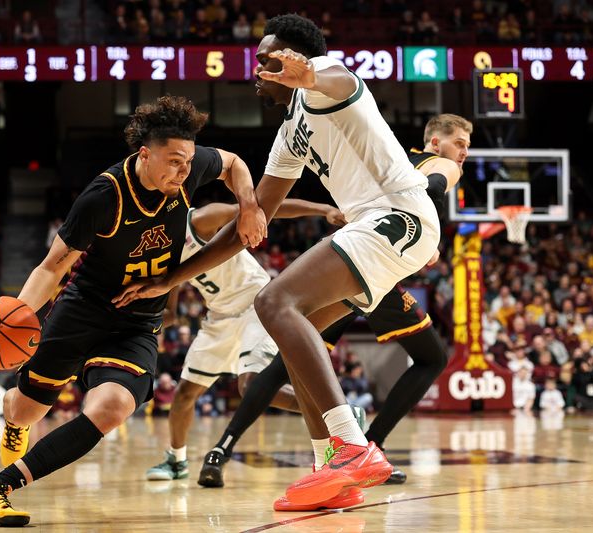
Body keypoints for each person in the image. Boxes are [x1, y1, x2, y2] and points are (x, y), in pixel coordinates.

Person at [114, 15, 455, 509]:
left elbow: (336, 78)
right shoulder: (290, 131)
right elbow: (248, 225)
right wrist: (169, 279)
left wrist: (309, 73)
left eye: (269, 60)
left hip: (396, 216)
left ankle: (351, 446)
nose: (259, 69)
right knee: (297, 338)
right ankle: (329, 469)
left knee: (273, 300)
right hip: (385, 229)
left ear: (298, 59)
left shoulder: (327, 83)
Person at [0, 96, 266, 527]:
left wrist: (249, 204)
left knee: (113, 407)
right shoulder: (103, 197)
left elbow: (233, 164)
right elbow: (52, 267)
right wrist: (17, 315)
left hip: (137, 321)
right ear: (144, 153)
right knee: (25, 410)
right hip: (83, 310)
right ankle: (16, 411)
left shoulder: (189, 167)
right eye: (174, 162)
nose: (184, 171)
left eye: (189, 162)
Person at [196, 113, 469, 497]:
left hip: (362, 251)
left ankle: (263, 453)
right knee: (431, 358)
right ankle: (362, 447)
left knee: (289, 345)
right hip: (377, 261)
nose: (464, 154)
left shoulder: (387, 161)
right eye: (459, 144)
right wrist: (431, 209)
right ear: (436, 142)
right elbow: (440, 180)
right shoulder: (430, 162)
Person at [146, 197, 345, 481]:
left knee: (250, 385)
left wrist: (322, 209)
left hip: (257, 304)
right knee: (184, 394)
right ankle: (176, 461)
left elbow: (264, 209)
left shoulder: (201, 219)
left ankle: (340, 415)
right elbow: (171, 313)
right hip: (219, 316)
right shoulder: (163, 252)